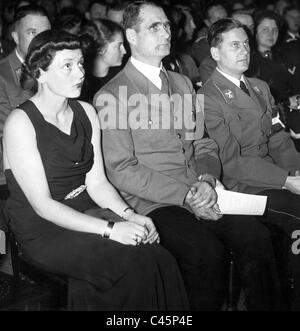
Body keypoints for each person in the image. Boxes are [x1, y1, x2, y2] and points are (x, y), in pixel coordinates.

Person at [95, 0, 283, 311]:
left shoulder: (182, 84)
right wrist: (188, 195)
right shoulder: (114, 94)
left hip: (199, 190)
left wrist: (208, 178)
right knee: (204, 252)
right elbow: (122, 169)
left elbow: (203, 145)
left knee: (255, 237)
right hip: (154, 201)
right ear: (131, 35)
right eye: (154, 27)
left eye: (167, 25)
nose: (165, 32)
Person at [3, 29, 188, 311]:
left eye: (80, 64)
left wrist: (131, 215)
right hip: (43, 228)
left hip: (85, 211)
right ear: (40, 73)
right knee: (133, 264)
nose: (79, 73)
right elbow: (43, 206)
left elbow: (98, 183)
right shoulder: (21, 122)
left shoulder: (86, 112)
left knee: (160, 257)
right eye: (67, 66)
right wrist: (111, 229)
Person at [200, 18, 300, 308]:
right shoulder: (206, 98)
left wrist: (297, 169)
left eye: (245, 44)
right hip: (243, 187)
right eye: (234, 45)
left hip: (275, 175)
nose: (244, 50)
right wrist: (287, 180)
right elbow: (231, 161)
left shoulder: (259, 87)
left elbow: (279, 139)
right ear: (216, 54)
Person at [0, 5, 51, 204]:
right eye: (32, 33)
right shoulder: (3, 75)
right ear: (15, 37)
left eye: (46, 33)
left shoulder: (58, 68)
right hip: (13, 176)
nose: (41, 40)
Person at [80, 19, 127, 102]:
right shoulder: (81, 83)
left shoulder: (123, 77)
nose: (124, 51)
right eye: (119, 45)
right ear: (101, 49)